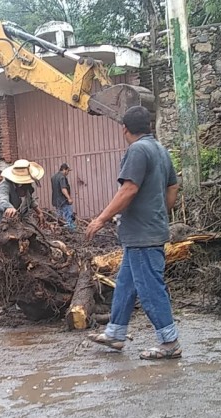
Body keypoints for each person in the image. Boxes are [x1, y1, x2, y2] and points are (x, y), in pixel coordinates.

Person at [85, 106, 182, 360]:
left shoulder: (137, 150)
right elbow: (173, 187)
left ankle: (169, 341)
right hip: (146, 231)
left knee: (150, 288)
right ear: (148, 126)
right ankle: (115, 333)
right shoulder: (161, 150)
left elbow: (128, 189)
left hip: (142, 234)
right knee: (126, 284)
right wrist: (158, 212)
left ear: (124, 129)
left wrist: (101, 219)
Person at [0, 159, 45, 236]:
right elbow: (3, 200)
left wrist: (39, 212)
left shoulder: (26, 185)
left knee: (33, 238)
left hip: (24, 220)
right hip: (5, 224)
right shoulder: (4, 186)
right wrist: (9, 208)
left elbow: (30, 199)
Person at [51, 163, 76, 231]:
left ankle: (60, 232)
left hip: (56, 201)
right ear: (64, 170)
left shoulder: (54, 177)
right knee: (68, 217)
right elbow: (63, 189)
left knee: (59, 218)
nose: (68, 173)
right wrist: (69, 198)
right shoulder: (62, 177)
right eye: (68, 171)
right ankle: (71, 232)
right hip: (63, 201)